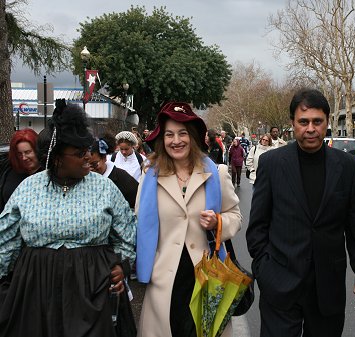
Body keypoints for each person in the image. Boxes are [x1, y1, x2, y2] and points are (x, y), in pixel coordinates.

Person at [0, 99, 136, 337]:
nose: (88, 157)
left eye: (88, 150)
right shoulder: (28, 189)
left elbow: (127, 232)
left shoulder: (104, 188)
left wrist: (121, 265)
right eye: (79, 153)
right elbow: (6, 241)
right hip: (36, 294)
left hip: (93, 292)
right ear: (57, 158)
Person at [246, 89, 355, 337]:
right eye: (303, 122)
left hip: (328, 288)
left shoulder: (347, 167)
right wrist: (265, 271)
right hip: (279, 285)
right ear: (293, 123)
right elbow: (257, 226)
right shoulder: (272, 164)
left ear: (327, 122)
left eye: (317, 121)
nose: (311, 128)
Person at [136, 101, 242, 337]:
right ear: (162, 139)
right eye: (169, 135)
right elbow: (138, 221)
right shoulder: (149, 175)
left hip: (206, 277)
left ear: (193, 137)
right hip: (165, 280)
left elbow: (235, 215)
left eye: (183, 133)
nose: (176, 141)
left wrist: (218, 223)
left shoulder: (217, 173)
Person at [89, 134, 139, 209]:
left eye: (94, 164)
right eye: (86, 163)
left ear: (104, 158)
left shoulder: (123, 179)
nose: (90, 169)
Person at [0, 129, 41, 212]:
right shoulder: (9, 170)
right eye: (19, 154)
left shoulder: (48, 175)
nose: (24, 158)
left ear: (37, 150)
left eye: (28, 152)